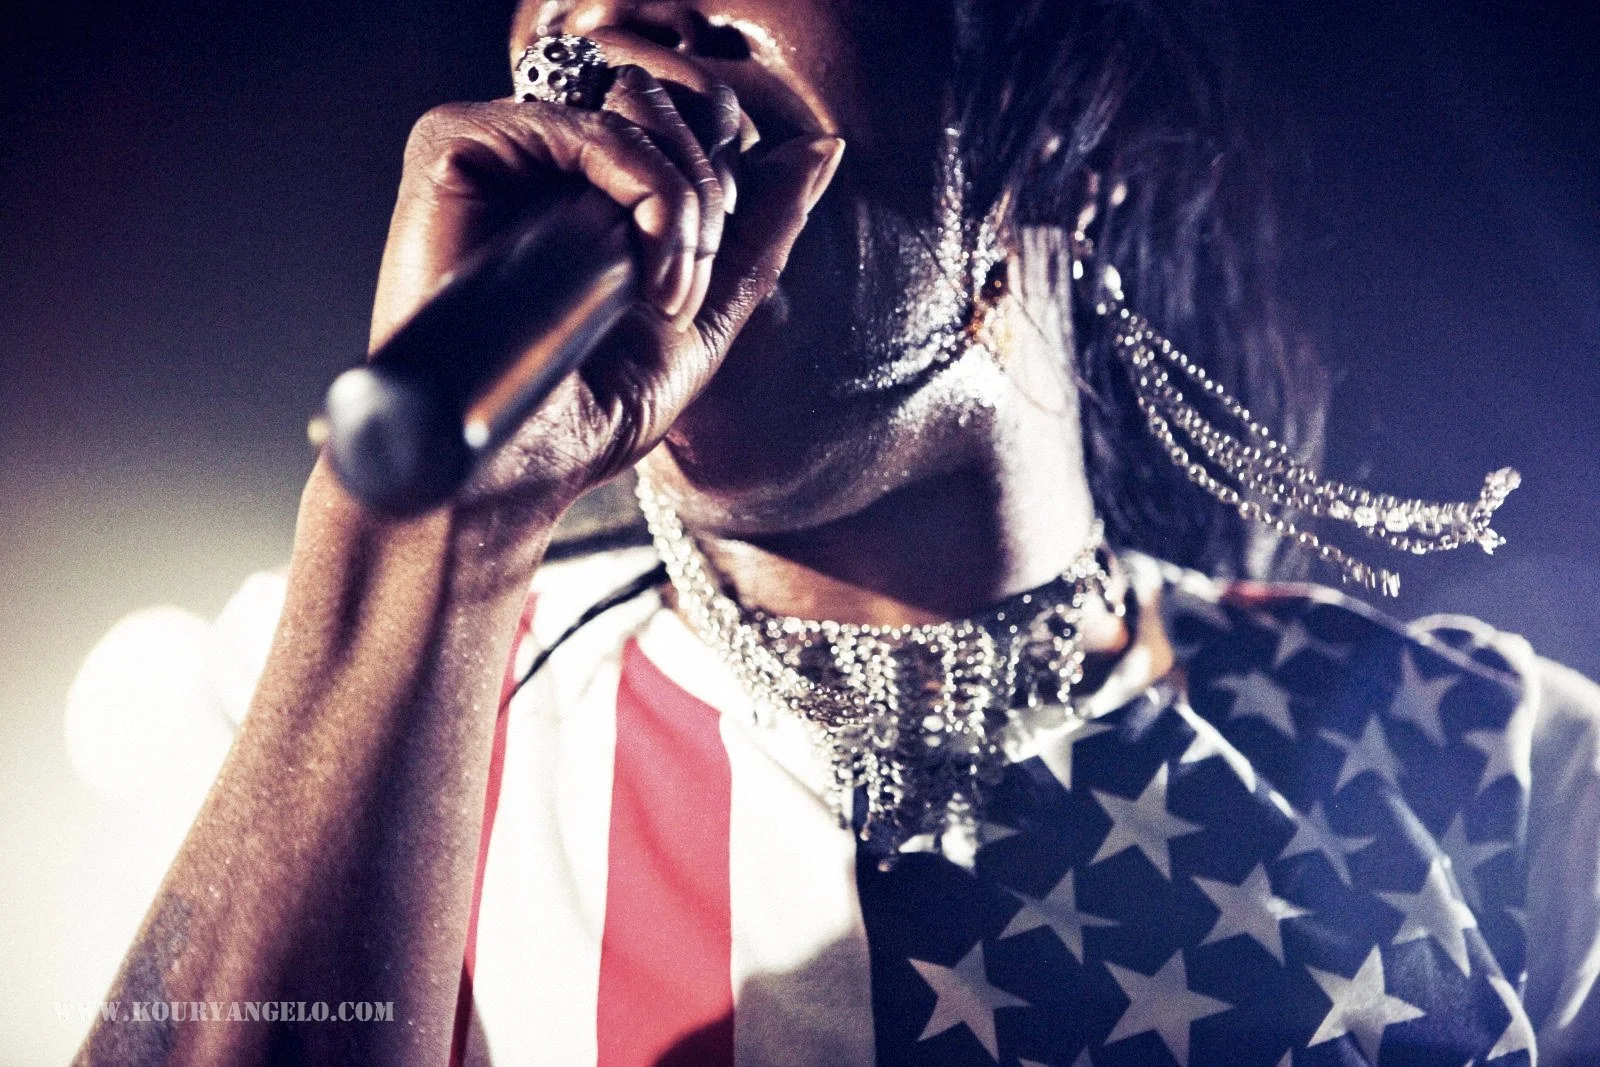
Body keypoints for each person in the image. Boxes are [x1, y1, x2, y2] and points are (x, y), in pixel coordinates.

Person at [71, 0, 1600, 1064]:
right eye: (552, 11)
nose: (598, 41)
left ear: (1067, 140)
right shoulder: (325, 694)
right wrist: (428, 539)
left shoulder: (1519, 775)